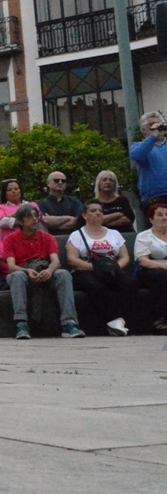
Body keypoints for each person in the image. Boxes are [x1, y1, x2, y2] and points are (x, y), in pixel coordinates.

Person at [3, 203, 84, 340]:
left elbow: (55, 261)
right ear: (21, 221)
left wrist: (50, 271)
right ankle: (21, 323)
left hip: (44, 270)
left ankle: (69, 323)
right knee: (17, 276)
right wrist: (27, 271)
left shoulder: (47, 238)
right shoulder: (10, 239)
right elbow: (11, 266)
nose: (34, 219)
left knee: (63, 274)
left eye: (36, 216)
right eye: (29, 217)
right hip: (23, 273)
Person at [66, 199, 137, 337]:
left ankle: (120, 320)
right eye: (93, 211)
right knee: (96, 287)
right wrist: (93, 268)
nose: (98, 213)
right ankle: (110, 321)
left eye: (100, 211)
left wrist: (115, 268)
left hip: (111, 269)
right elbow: (72, 259)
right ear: (85, 216)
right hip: (85, 271)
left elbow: (124, 257)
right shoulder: (76, 235)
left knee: (131, 283)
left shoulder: (114, 233)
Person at [134, 204, 167, 333]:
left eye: (166, 215)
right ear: (151, 219)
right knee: (162, 277)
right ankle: (160, 320)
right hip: (150, 269)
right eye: (159, 215)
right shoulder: (144, 236)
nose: (164, 218)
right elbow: (143, 260)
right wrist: (163, 266)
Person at [131, 111, 167, 211]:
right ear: (143, 130)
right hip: (154, 198)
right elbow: (137, 156)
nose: (157, 127)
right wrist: (153, 136)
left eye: (160, 124)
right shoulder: (138, 146)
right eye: (152, 125)